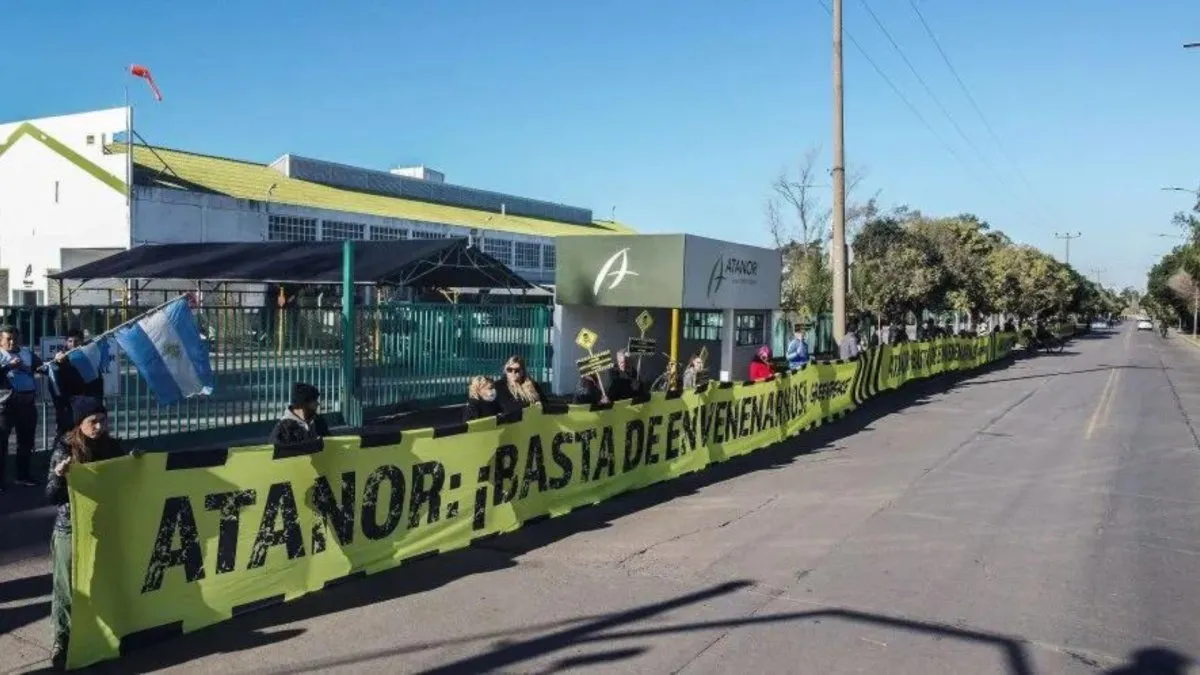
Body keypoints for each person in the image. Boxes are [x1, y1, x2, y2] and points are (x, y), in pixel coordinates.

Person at [45, 396, 129, 669]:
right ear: (79, 424)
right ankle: (62, 642)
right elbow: (51, 496)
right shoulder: (65, 448)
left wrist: (136, 461)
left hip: (103, 526)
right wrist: (60, 475)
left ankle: (104, 636)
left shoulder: (111, 446)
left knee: (105, 582)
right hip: (71, 529)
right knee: (67, 589)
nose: (99, 426)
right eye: (93, 421)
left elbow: (126, 476)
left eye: (103, 420)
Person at [0, 325, 43, 492]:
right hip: (5, 406)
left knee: (25, 442)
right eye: (8, 339)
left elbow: (41, 367)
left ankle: (23, 476)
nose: (12, 342)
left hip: (27, 404)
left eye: (15, 338)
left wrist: (47, 365)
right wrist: (8, 367)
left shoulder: (26, 353)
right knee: (1, 445)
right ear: (1, 340)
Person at [47, 328, 105, 437]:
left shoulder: (89, 356)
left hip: (86, 402)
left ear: (82, 341)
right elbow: (52, 376)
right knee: (67, 434)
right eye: (70, 341)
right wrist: (59, 364)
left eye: (76, 341)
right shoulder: (60, 358)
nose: (73, 344)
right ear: (66, 342)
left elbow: (96, 380)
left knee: (87, 433)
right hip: (69, 405)